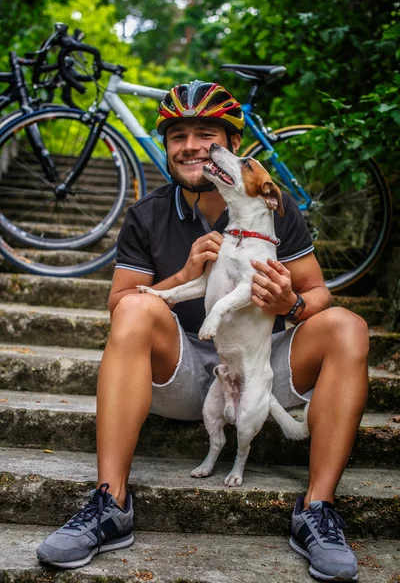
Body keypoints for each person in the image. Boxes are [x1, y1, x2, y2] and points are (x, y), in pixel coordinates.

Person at [37, 81, 369, 581]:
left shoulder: (273, 206)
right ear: (167, 148)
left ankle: (317, 510)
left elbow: (318, 294)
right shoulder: (146, 214)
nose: (190, 145)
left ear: (230, 146)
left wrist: (292, 303)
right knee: (134, 312)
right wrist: (184, 277)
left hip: (259, 365)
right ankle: (110, 503)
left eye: (205, 133)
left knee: (347, 326)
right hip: (185, 371)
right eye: (178, 136)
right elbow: (118, 306)